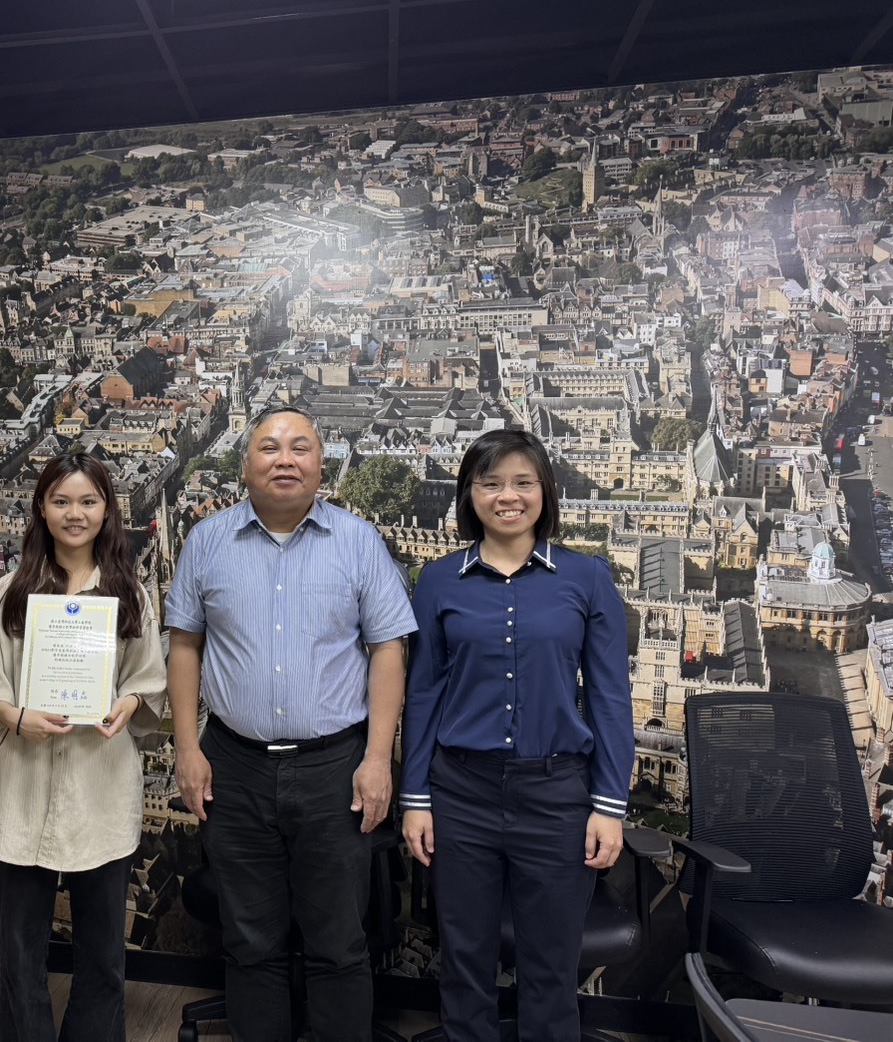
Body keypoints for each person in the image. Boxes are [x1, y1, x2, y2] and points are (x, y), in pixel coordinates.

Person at [166, 405, 417, 1041]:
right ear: (244, 464)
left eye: (300, 447)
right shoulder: (206, 542)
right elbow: (185, 647)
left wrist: (378, 758)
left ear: (321, 464)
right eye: (270, 447)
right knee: (250, 943)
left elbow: (388, 650)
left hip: (335, 767)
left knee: (339, 944)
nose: (285, 459)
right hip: (235, 766)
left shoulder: (358, 541)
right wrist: (188, 749)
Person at [399, 428, 632, 1042]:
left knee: (551, 972)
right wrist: (416, 797)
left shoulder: (588, 578)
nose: (508, 496)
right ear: (469, 494)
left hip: (557, 796)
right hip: (461, 794)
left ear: (545, 491)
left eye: (523, 482)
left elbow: (610, 699)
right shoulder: (438, 581)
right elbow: (423, 694)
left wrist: (610, 804)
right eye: (491, 483)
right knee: (464, 965)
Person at [0, 452, 167, 1042]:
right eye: (62, 501)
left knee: (103, 957)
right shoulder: (10, 594)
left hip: (101, 787)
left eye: (88, 501)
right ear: (41, 509)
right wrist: (17, 717)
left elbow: (148, 681)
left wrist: (128, 704)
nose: (75, 514)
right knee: (20, 958)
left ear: (107, 510)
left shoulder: (131, 595)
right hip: (24, 786)